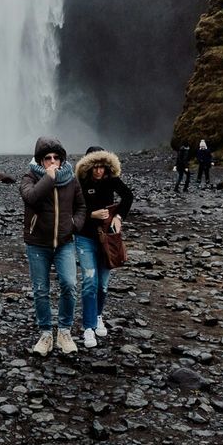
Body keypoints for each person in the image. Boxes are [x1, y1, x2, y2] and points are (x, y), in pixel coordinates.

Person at [19, 136, 87, 356]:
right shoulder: (29, 178)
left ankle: (64, 332)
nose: (53, 161)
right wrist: (48, 178)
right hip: (37, 244)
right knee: (40, 290)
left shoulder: (72, 180)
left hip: (65, 243)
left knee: (69, 285)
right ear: (40, 161)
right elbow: (31, 198)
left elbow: (81, 207)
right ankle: (46, 334)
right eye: (47, 158)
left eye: (56, 157)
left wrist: (74, 225)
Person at [73, 146, 134, 348]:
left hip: (106, 239)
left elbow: (128, 196)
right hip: (85, 238)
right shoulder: (80, 183)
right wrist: (91, 214)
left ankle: (98, 315)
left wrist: (118, 217)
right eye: (95, 167)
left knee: (103, 284)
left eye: (102, 167)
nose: (99, 171)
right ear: (88, 166)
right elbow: (72, 207)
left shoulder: (111, 181)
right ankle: (88, 327)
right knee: (90, 281)